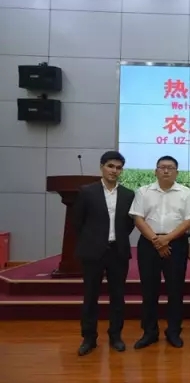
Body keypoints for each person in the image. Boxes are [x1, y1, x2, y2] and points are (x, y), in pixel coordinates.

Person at [129, 156, 190, 349]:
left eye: (170, 168)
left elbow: (189, 221)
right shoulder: (143, 192)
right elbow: (138, 219)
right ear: (156, 171)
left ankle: (173, 332)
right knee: (149, 290)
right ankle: (149, 332)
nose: (166, 171)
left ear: (177, 172)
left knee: (175, 290)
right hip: (149, 244)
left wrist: (166, 239)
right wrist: (156, 240)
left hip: (176, 244)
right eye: (162, 167)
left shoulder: (186, 193)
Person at [73, 151, 135, 356]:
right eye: (110, 166)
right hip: (93, 252)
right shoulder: (87, 192)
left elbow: (128, 224)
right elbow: (77, 222)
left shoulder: (128, 194)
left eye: (118, 168)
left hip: (118, 251)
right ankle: (89, 338)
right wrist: (94, 240)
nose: (114, 171)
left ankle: (115, 336)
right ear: (102, 167)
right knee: (90, 296)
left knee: (118, 296)